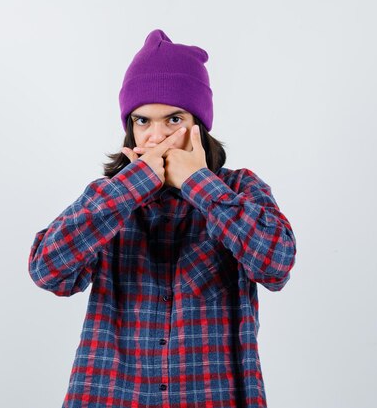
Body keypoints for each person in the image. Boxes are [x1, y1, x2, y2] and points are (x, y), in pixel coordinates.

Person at [28, 29, 297, 408]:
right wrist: (131, 187)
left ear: (198, 124)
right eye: (143, 121)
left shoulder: (240, 189)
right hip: (112, 395)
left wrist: (197, 182)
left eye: (173, 119)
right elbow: (48, 272)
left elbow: (276, 266)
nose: (157, 136)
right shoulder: (108, 199)